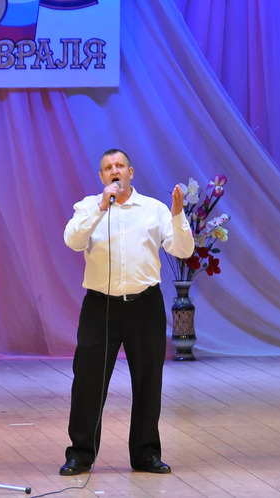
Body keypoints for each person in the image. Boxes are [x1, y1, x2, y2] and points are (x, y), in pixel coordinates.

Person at [60, 148, 195, 476]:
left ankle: (146, 453)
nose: (114, 171)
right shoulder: (88, 207)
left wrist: (178, 215)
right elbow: (72, 241)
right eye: (108, 167)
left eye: (120, 165)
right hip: (100, 306)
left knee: (148, 380)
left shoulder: (154, 209)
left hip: (144, 306)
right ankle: (81, 454)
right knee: (88, 381)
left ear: (130, 172)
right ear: (101, 176)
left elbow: (183, 249)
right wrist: (100, 207)